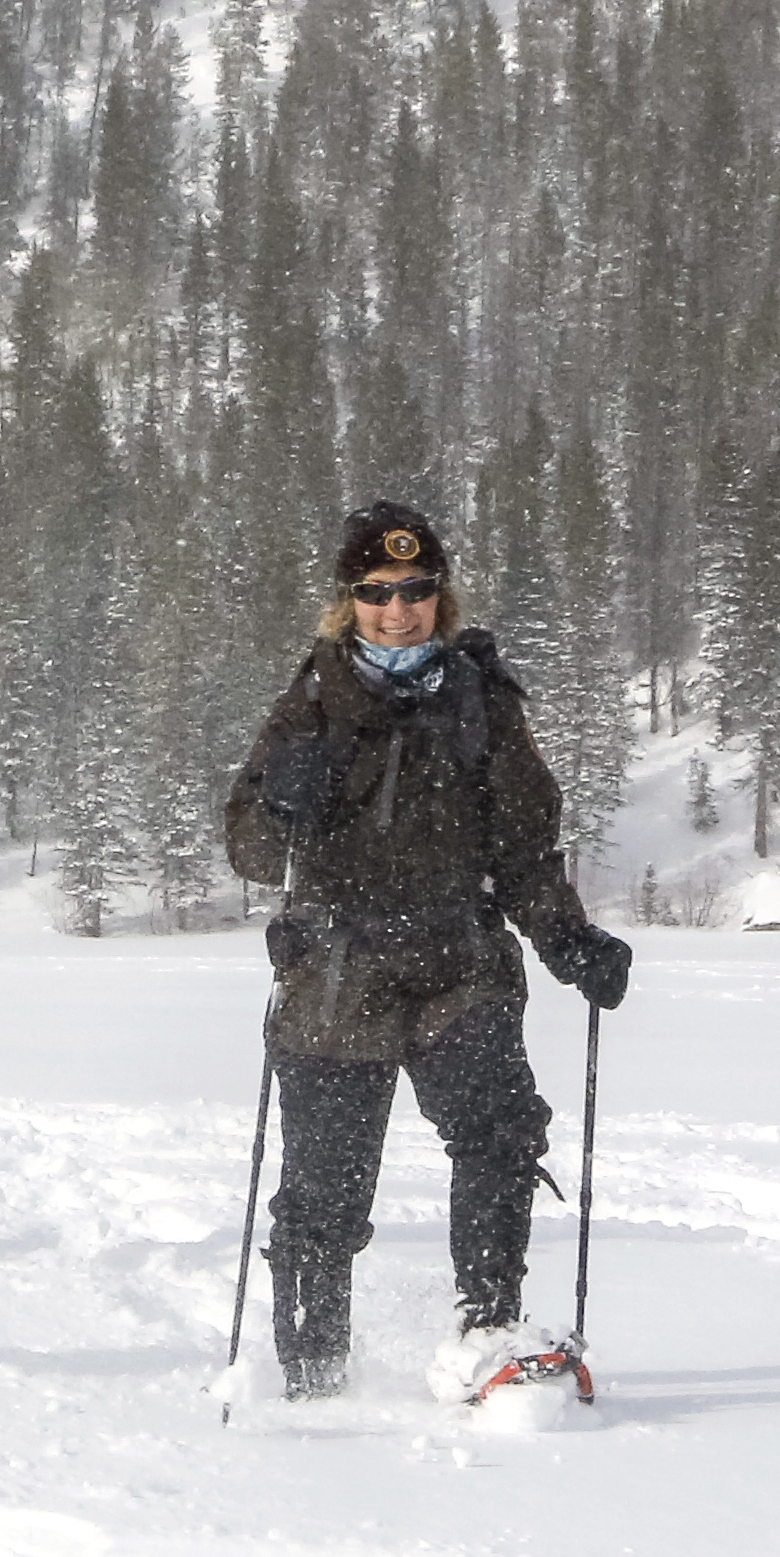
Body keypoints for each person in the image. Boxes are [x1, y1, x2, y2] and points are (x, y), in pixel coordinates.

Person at [222, 502, 630, 1399]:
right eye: (375, 593)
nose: (396, 608)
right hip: (336, 974)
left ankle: (487, 1340)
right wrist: (279, 801)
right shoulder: (312, 700)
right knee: (325, 1192)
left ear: (440, 597)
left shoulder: (482, 700)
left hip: (460, 964)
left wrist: (569, 939)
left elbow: (525, 851)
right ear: (348, 601)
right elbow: (250, 851)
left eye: (414, 590)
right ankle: (312, 1374)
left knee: (499, 1140)